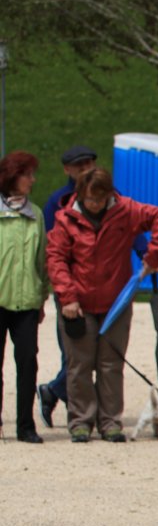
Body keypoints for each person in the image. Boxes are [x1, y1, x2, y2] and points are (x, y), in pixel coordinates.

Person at [45, 168, 158, 443]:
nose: (95, 204)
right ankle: (81, 422)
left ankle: (110, 422)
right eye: (90, 199)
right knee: (79, 365)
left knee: (111, 364)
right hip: (78, 303)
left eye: (100, 198)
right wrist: (67, 297)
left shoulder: (125, 210)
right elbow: (55, 258)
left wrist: (154, 255)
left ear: (108, 194)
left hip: (116, 302)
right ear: (81, 195)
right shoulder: (65, 219)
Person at [37, 145, 111, 429]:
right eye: (79, 165)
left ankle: (60, 393)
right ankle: (71, 400)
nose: (85, 168)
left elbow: (127, 225)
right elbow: (51, 246)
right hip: (70, 286)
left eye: (89, 163)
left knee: (97, 352)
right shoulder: (57, 201)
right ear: (67, 170)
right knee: (76, 353)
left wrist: (144, 253)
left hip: (103, 285)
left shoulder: (108, 194)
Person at [0, 152, 50, 444]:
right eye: (27, 174)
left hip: (28, 302)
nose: (33, 180)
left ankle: (25, 425)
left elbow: (42, 260)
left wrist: (42, 298)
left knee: (28, 363)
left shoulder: (37, 215)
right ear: (12, 177)